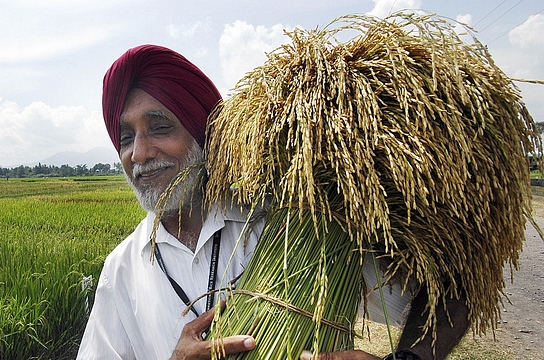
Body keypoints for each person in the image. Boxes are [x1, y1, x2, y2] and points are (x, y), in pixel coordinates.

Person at [77, 44, 470, 360]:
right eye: (126, 137)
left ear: (202, 134)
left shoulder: (291, 219)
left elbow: (452, 288)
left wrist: (409, 358)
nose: (139, 154)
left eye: (159, 127)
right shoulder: (121, 271)